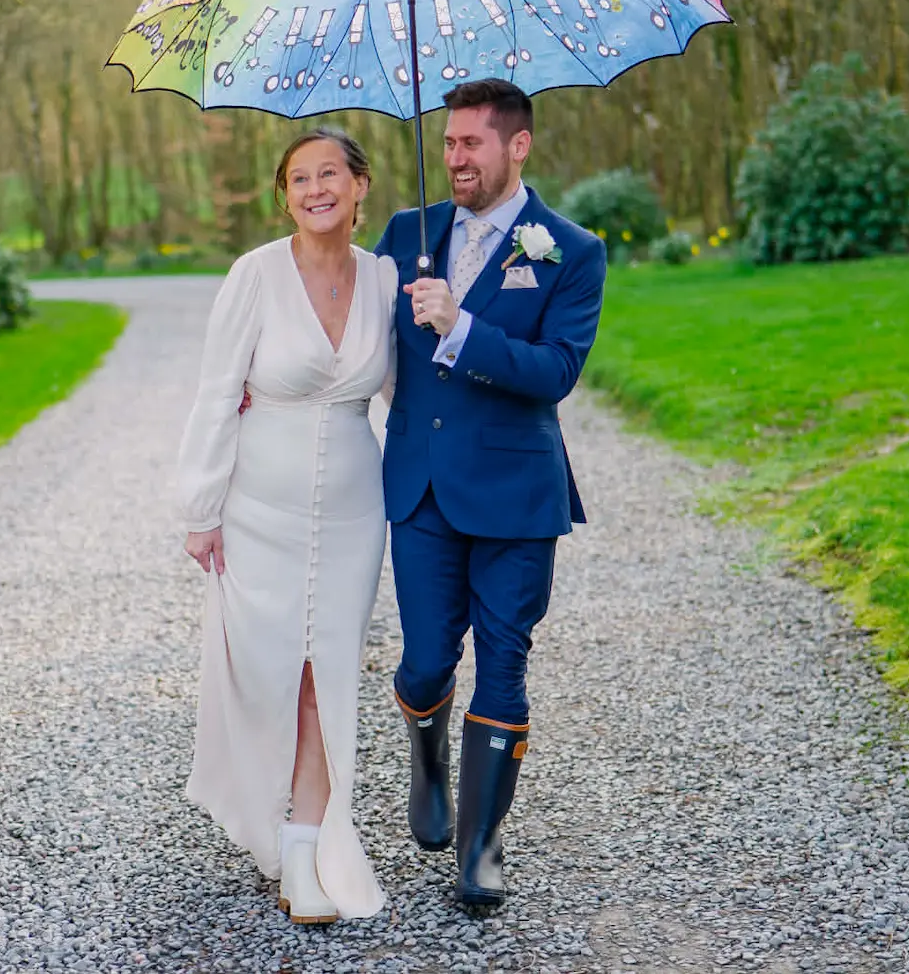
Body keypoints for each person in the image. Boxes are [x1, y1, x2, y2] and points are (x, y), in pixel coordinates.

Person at [372, 78, 606, 909]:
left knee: (504, 662)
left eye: (472, 143)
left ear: (519, 146)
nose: (456, 157)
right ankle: (425, 747)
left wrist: (460, 327)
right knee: (429, 657)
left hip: (517, 490)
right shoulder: (408, 233)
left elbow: (556, 372)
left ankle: (481, 848)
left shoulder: (569, 250)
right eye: (449, 143)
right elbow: (355, 338)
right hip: (422, 489)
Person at [175, 128, 397, 924]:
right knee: (262, 671)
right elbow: (215, 391)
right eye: (298, 179)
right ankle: (262, 814)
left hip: (351, 512)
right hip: (257, 510)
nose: (314, 190)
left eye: (328, 174)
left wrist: (440, 321)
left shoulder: (386, 278)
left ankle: (308, 845)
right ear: (285, 196)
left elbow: (404, 397)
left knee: (324, 674)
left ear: (360, 184)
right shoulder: (255, 275)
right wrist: (200, 508)